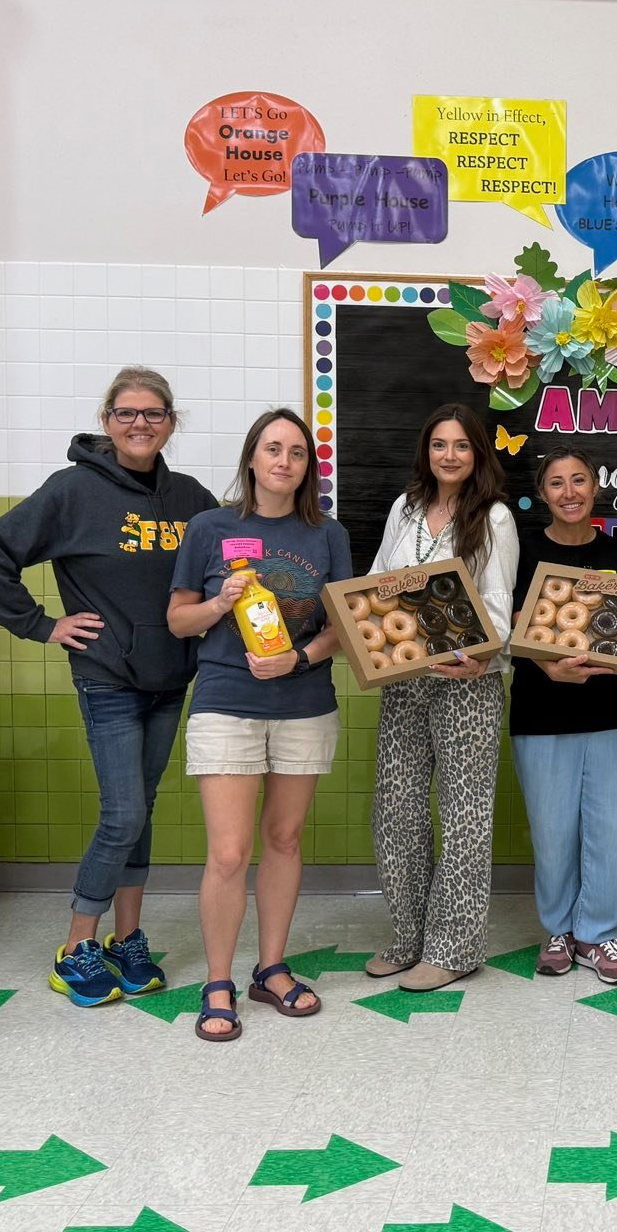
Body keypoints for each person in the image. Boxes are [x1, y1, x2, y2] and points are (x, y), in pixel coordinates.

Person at [0, 367, 218, 1007]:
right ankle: (76, 946)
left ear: (171, 423)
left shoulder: (191, 498)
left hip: (171, 679)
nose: (140, 423)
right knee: (123, 812)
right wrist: (41, 625)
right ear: (107, 421)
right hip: (108, 678)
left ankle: (127, 940)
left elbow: (224, 573)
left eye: (154, 413)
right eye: (127, 413)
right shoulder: (72, 491)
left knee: (144, 810)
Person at [168, 408, 351, 1042]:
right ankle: (217, 980)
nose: (284, 461)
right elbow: (178, 621)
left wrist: (297, 657)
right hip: (225, 702)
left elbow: (342, 628)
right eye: (273, 448)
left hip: (304, 705)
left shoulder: (327, 535)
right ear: (252, 458)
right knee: (228, 853)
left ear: (308, 467)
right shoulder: (209, 528)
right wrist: (221, 601)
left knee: (284, 840)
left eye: (297, 452)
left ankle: (269, 967)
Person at [365, 404, 519, 992]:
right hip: (403, 682)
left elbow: (499, 608)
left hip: (468, 685)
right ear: (425, 451)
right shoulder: (404, 510)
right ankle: (407, 936)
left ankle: (454, 947)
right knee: (396, 810)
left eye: (461, 445)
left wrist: (480, 656)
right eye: (438, 445)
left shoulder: (495, 517)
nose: (449, 455)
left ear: (478, 453)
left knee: (464, 816)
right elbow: (378, 586)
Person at [509, 447, 617, 984]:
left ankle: (600, 933)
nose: (570, 492)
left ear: (595, 487)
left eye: (579, 480)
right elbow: (507, 627)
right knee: (552, 829)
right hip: (541, 712)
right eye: (558, 483)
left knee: (609, 829)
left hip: (610, 711)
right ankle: (560, 929)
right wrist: (547, 665)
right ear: (543, 494)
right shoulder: (521, 553)